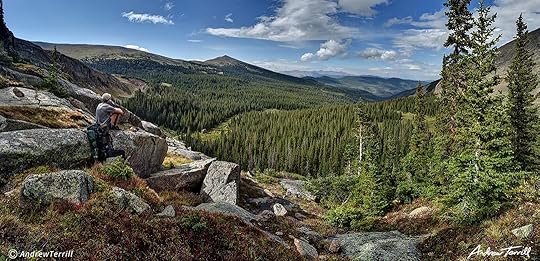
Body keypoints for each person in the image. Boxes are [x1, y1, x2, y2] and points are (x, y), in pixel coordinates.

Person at [94, 93, 126, 161]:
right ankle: (114, 126)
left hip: (98, 125)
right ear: (108, 100)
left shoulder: (99, 105)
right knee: (117, 113)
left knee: (113, 112)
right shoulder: (107, 106)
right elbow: (121, 111)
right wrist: (115, 109)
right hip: (105, 127)